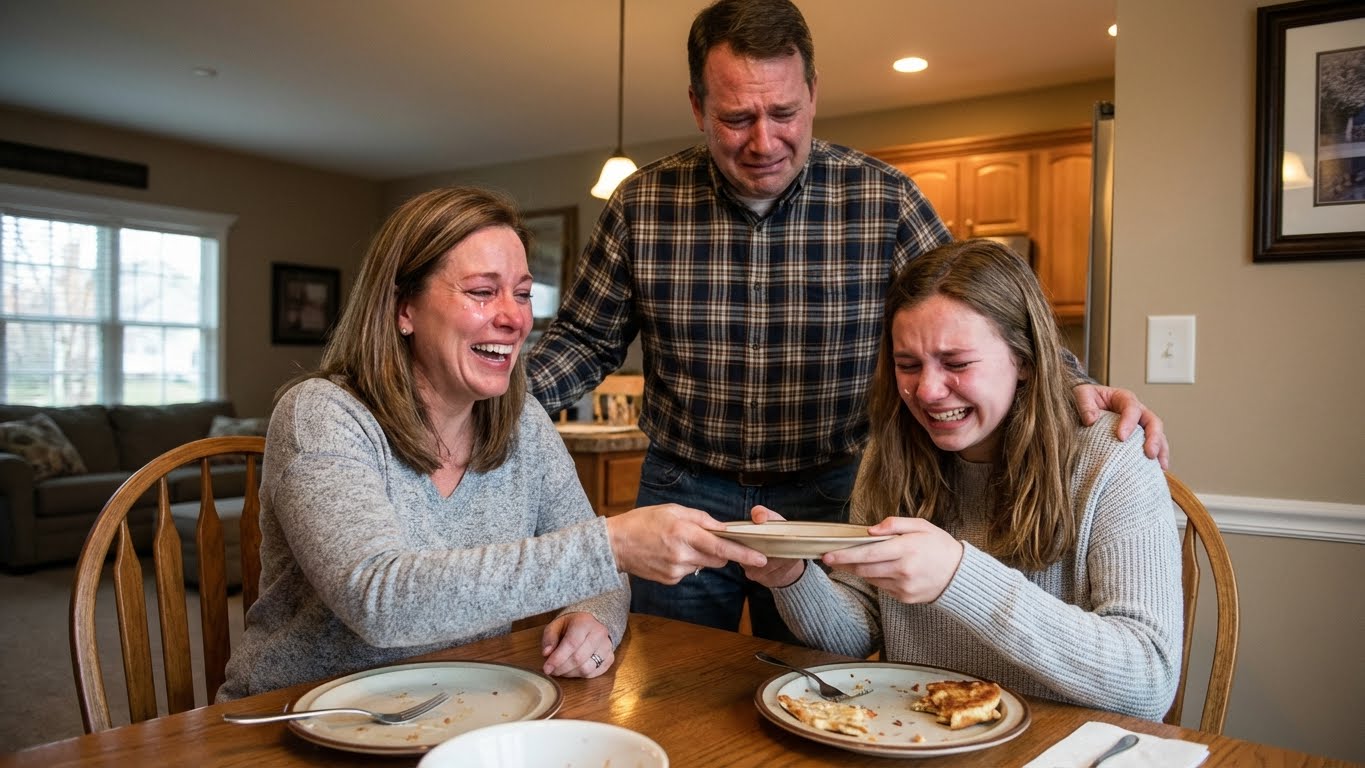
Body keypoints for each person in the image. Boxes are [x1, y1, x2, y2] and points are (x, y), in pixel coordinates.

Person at [527, 0, 1168, 642]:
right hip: (686, 487)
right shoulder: (643, 205)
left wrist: (1069, 385)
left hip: (834, 488)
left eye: (784, 113)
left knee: (818, 683)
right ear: (697, 107)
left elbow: (978, 314)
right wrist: (487, 401)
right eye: (736, 117)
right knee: (672, 669)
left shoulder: (882, 199)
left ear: (813, 93)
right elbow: (584, 339)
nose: (763, 141)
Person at [219, 187, 764, 701]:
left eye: (523, 294)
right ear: (402, 308)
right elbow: (378, 601)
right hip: (297, 719)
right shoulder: (322, 415)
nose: (514, 317)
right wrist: (609, 546)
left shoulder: (523, 423)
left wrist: (593, 618)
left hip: (460, 713)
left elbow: (602, 580)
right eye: (483, 292)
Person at [743, 238, 1183, 719]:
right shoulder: (892, 453)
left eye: (957, 363)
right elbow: (862, 628)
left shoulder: (1114, 459)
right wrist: (793, 578)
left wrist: (959, 577)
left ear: (1026, 361)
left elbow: (1148, 682)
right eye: (907, 365)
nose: (927, 391)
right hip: (918, 736)